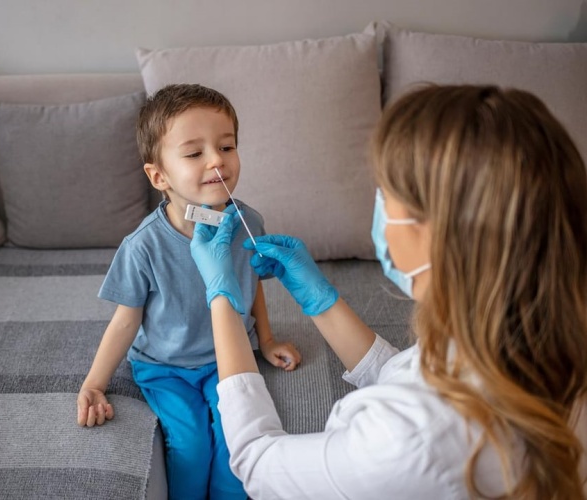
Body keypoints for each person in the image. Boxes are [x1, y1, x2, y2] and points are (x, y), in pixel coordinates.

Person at [190, 84, 587, 499]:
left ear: (440, 234)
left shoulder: (407, 442)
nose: (377, 204)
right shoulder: (532, 342)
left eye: (386, 193)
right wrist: (321, 300)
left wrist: (221, 297)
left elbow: (258, 464)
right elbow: (414, 380)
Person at [76, 83, 301, 500]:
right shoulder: (143, 246)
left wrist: (265, 340)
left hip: (227, 359)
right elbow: (127, 320)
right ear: (159, 176)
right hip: (165, 367)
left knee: (236, 444)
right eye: (195, 153)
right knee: (192, 448)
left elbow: (250, 283)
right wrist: (94, 382)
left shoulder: (246, 221)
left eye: (227, 146)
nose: (217, 160)